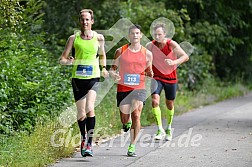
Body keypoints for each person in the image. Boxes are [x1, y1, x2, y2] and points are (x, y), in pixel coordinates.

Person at [59, 9, 109, 157]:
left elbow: (102, 54)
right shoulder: (73, 39)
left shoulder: (99, 38)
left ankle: (89, 143)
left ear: (92, 21)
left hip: (93, 77)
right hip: (77, 78)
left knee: (89, 107)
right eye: (82, 19)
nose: (85, 22)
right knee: (81, 113)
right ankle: (83, 138)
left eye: (87, 19)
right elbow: (62, 59)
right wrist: (68, 62)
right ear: (79, 22)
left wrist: (104, 68)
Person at [109, 24, 153, 156]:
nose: (135, 35)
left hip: (139, 88)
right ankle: (126, 123)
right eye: (132, 33)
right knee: (124, 117)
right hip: (123, 88)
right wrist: (113, 74)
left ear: (140, 35)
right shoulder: (120, 51)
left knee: (136, 115)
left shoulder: (147, 53)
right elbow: (112, 69)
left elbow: (149, 71)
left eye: (137, 33)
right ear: (129, 36)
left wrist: (150, 74)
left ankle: (132, 146)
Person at [146, 23, 189, 141]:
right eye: (155, 34)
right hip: (157, 78)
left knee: (169, 104)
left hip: (170, 78)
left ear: (164, 34)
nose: (157, 36)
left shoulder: (171, 44)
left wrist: (174, 62)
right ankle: (160, 129)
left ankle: (169, 128)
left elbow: (185, 56)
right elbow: (143, 59)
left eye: (159, 34)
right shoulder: (150, 45)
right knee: (155, 101)